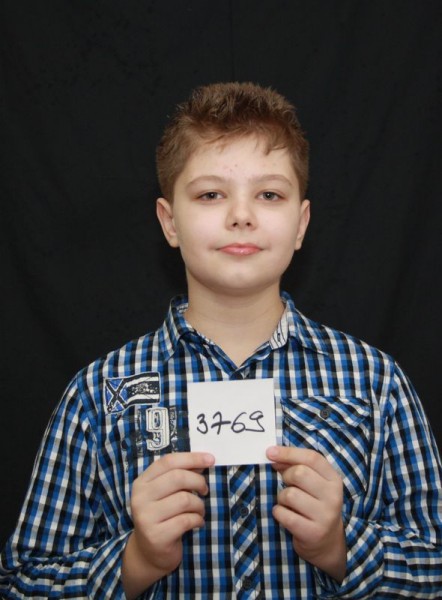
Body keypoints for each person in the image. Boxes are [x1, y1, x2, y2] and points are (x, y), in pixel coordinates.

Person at [1, 82, 441, 599]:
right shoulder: (98, 393)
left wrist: (341, 547)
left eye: (269, 194)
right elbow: (22, 582)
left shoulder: (374, 381)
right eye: (211, 194)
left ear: (301, 224)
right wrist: (136, 559)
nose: (241, 215)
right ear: (170, 222)